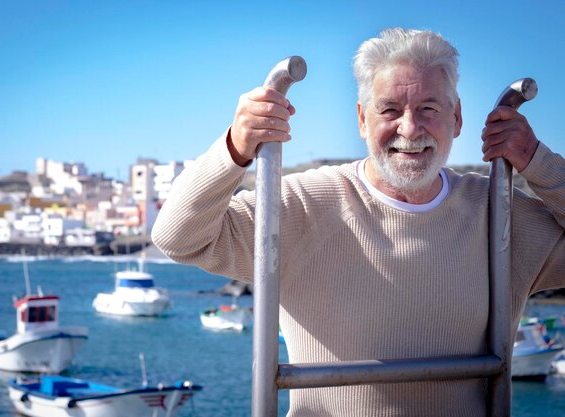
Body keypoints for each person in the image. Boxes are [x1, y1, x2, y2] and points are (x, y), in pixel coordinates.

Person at [152, 28, 565, 416]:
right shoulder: (298, 204)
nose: (409, 128)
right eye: (389, 109)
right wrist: (234, 148)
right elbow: (178, 237)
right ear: (362, 119)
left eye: (428, 108)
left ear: (456, 118)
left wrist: (537, 162)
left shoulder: (500, 213)